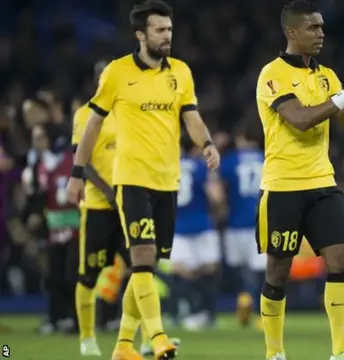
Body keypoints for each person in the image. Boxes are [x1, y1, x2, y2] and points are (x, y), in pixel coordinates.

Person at [65, 1, 220, 359]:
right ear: (141, 35)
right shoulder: (117, 73)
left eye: (169, 29)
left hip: (168, 181)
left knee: (147, 266)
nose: (168, 36)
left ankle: (122, 345)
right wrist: (76, 173)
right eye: (160, 30)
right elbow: (93, 124)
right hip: (132, 180)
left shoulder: (180, 72)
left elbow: (191, 116)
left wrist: (207, 143)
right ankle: (158, 336)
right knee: (143, 258)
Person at [255, 1, 344, 359]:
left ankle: (342, 350)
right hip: (282, 187)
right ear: (292, 32)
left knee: (341, 260)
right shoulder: (272, 74)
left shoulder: (326, 75)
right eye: (312, 28)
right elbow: (300, 119)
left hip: (322, 183)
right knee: (278, 272)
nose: (321, 33)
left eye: (322, 27)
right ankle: (274, 352)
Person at [71, 64, 126, 356]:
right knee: (89, 274)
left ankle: (138, 338)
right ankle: (88, 338)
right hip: (97, 206)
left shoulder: (130, 112)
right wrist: (108, 190)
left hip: (129, 203)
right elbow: (81, 160)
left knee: (142, 268)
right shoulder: (85, 114)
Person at [24, 124, 78, 335]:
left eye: (40, 138)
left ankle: (75, 318)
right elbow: (38, 197)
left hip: (74, 227)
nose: (37, 143)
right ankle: (57, 318)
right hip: (53, 227)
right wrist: (36, 216)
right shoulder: (39, 165)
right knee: (54, 277)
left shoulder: (69, 161)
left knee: (71, 276)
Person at [216, 122, 266, 328]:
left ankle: (243, 298)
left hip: (235, 222)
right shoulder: (266, 158)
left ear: (240, 139)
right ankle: (261, 310)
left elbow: (218, 190)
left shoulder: (230, 161)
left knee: (238, 266)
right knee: (259, 269)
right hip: (260, 220)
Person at [169, 135, 221, 331]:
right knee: (208, 269)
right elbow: (215, 196)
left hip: (179, 225)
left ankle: (181, 312)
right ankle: (206, 313)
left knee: (182, 270)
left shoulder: (168, 166)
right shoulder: (200, 166)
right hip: (202, 223)